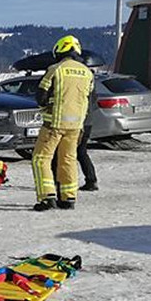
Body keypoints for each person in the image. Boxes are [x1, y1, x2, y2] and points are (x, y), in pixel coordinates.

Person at [31, 35, 94, 211]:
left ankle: (47, 197)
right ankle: (68, 198)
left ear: (60, 50)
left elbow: (41, 97)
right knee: (68, 160)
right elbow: (89, 98)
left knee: (40, 159)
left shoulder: (55, 69)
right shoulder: (87, 72)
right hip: (75, 126)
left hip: (54, 124)